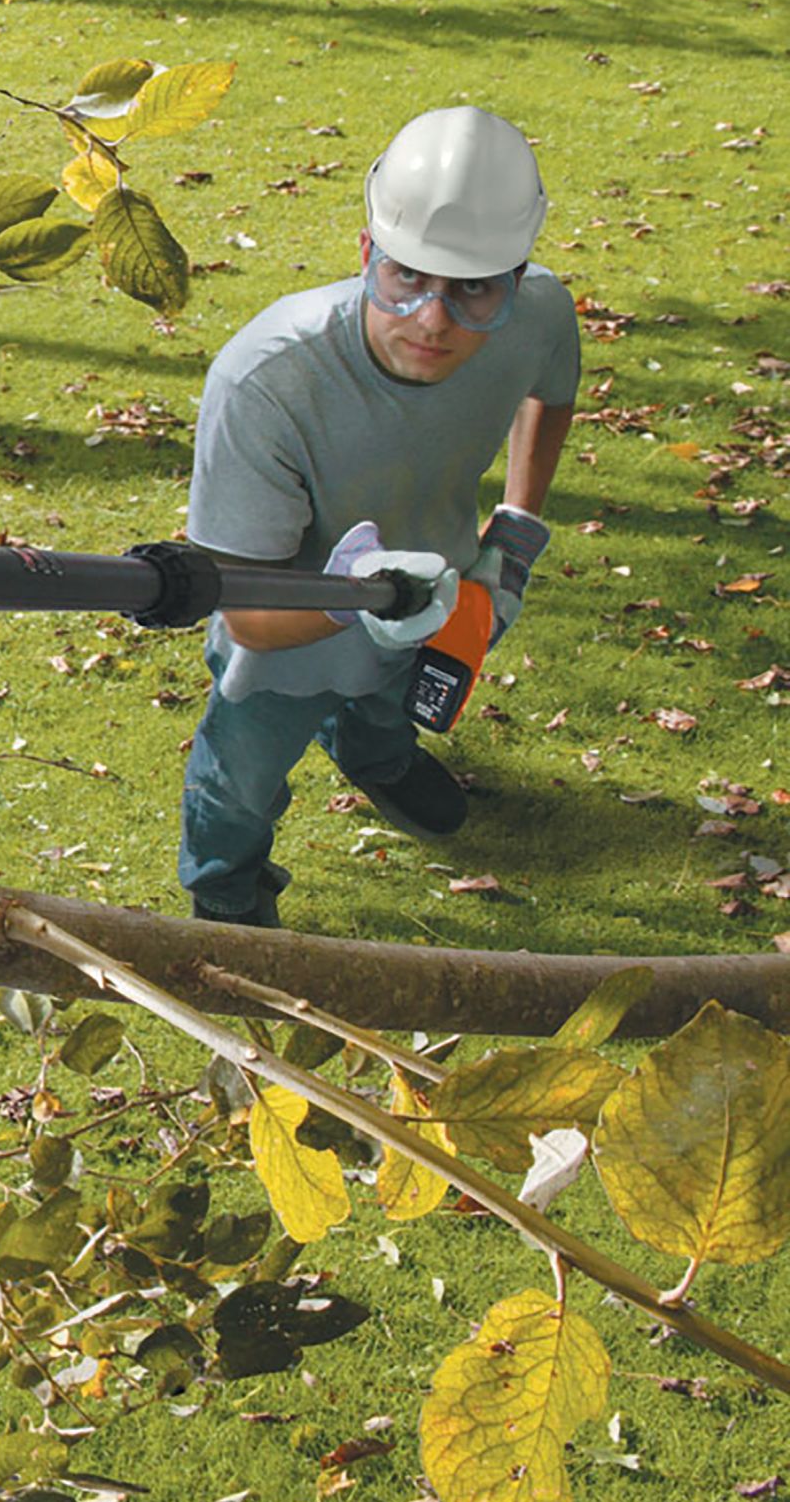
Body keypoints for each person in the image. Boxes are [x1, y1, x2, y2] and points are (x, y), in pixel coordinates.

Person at [178, 105, 580, 928]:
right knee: (244, 779)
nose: (434, 320)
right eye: (407, 278)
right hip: (288, 630)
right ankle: (224, 890)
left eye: (472, 289)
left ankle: (379, 759)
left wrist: (516, 529)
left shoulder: (537, 312)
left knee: (393, 698)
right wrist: (342, 602)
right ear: (367, 253)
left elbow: (553, 392)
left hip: (443, 584)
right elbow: (246, 614)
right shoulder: (267, 382)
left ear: (513, 276)